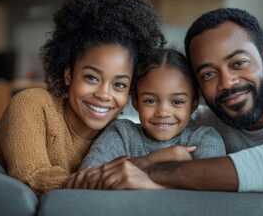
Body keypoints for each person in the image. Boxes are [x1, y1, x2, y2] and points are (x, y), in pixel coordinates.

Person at [66, 7, 263, 195]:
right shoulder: (205, 123)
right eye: (208, 73)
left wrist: (154, 170)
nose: (227, 82)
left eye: (238, 62)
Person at [0, 0, 165, 196]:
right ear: (68, 74)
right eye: (91, 77)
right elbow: (33, 177)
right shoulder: (32, 105)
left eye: (119, 84)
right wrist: (108, 180)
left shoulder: (120, 133)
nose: (103, 94)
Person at [79, 48, 226, 170]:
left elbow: (211, 190)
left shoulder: (204, 139)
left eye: (177, 101)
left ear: (193, 104)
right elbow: (86, 177)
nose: (162, 112)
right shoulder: (122, 134)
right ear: (135, 101)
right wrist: (152, 160)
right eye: (150, 101)